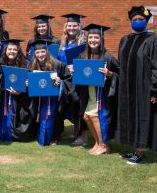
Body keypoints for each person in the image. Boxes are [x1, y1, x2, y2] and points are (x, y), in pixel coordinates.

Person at [115, 6, 157, 165]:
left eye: (141, 20)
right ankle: (135, 150)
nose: (137, 22)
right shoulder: (125, 39)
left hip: (145, 88)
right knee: (132, 117)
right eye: (134, 20)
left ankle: (141, 153)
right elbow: (121, 64)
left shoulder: (153, 40)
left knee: (143, 118)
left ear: (146, 21)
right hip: (128, 89)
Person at [69, 24, 119, 155]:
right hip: (88, 92)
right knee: (86, 117)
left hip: (101, 94)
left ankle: (103, 145)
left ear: (101, 39)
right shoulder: (83, 55)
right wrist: (74, 71)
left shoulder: (107, 57)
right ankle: (97, 142)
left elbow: (120, 74)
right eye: (90, 37)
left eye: (96, 37)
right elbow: (79, 74)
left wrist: (110, 74)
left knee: (95, 117)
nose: (93, 40)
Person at [29, 39, 69, 146]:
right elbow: (28, 81)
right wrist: (28, 83)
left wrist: (61, 81)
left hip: (55, 98)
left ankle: (55, 138)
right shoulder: (32, 65)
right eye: (37, 52)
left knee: (55, 117)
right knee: (40, 115)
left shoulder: (58, 64)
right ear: (35, 53)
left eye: (43, 51)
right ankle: (41, 137)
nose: (40, 54)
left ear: (47, 51)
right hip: (39, 99)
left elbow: (68, 79)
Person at [56, 13, 87, 145]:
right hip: (65, 79)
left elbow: (87, 62)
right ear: (66, 26)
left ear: (79, 26)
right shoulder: (62, 42)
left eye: (75, 25)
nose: (72, 28)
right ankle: (75, 132)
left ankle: (82, 136)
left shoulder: (83, 42)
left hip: (77, 78)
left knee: (79, 106)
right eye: (69, 25)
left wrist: (76, 67)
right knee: (69, 106)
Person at [0, 39, 35, 142]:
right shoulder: (0, 62)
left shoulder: (26, 63)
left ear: (18, 51)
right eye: (10, 49)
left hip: (21, 97)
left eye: (15, 49)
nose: (12, 51)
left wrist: (24, 87)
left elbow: (30, 80)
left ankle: (15, 134)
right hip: (4, 95)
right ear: (5, 50)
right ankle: (4, 132)